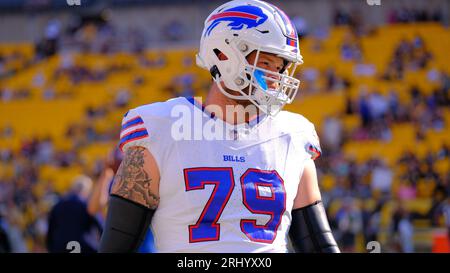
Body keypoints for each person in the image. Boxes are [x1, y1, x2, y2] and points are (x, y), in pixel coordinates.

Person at [99, 0, 339, 253]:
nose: (275, 79)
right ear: (224, 55)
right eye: (265, 64)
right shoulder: (162, 127)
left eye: (280, 69)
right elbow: (117, 245)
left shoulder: (292, 134)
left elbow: (318, 244)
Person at [47, 175, 102, 253]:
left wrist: (51, 248)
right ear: (87, 191)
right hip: (81, 246)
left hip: (59, 246)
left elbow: (50, 231)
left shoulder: (57, 206)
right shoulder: (87, 205)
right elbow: (101, 227)